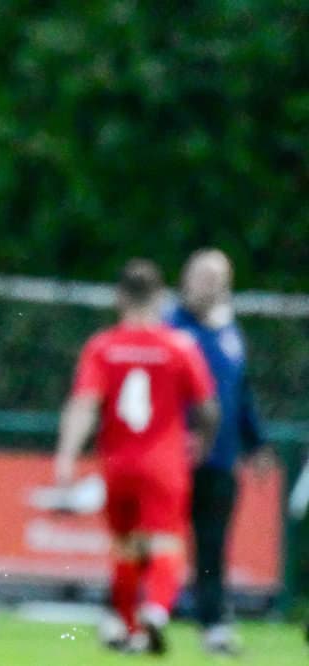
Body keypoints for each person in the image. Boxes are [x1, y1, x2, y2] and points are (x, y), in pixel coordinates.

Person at [54, 259, 219, 655]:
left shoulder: (103, 346)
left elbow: (84, 404)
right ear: (161, 298)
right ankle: (157, 610)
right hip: (164, 462)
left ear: (119, 298)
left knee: (125, 546)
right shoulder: (179, 346)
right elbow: (208, 406)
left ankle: (129, 628)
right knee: (165, 543)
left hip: (117, 463)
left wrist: (66, 456)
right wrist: (204, 441)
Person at [167, 248, 267, 655]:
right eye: (200, 276)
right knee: (155, 540)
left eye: (215, 278)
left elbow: (241, 394)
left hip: (220, 458)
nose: (206, 286)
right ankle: (135, 617)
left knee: (212, 544)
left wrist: (256, 443)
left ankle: (213, 624)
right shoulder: (168, 326)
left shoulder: (230, 332)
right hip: (172, 456)